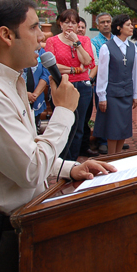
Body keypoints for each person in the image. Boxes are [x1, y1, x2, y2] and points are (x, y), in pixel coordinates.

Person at [0, 0, 115, 272]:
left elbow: (25, 149)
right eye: (35, 27)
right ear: (6, 34)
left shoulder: (7, 81)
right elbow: (30, 169)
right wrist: (63, 112)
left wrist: (69, 168)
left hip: (21, 229)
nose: (42, 37)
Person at [45, 9, 95, 160]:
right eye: (66, 22)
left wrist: (76, 42)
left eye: (73, 22)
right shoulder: (52, 41)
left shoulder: (84, 40)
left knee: (78, 126)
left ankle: (72, 161)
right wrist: (75, 69)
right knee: (62, 123)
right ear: (60, 24)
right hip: (62, 85)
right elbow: (52, 66)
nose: (70, 25)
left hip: (82, 86)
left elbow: (87, 62)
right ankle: (60, 161)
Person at [94, 14, 137, 154]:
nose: (132, 27)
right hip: (112, 94)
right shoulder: (107, 47)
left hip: (126, 93)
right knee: (113, 129)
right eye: (128, 24)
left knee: (123, 129)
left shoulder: (133, 47)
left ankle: (118, 156)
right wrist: (102, 96)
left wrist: (135, 94)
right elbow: (102, 73)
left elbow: (135, 73)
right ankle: (111, 157)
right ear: (119, 27)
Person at [90, 13, 114, 154]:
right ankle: (103, 141)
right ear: (97, 25)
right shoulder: (95, 42)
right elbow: (99, 62)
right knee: (103, 111)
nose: (106, 24)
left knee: (115, 112)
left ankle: (114, 139)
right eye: (102, 22)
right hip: (102, 82)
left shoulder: (117, 39)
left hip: (116, 81)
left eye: (108, 21)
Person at [77, 16, 101, 156]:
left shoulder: (89, 44)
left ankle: (84, 147)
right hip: (70, 84)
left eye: (82, 27)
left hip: (85, 84)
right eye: (78, 26)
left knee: (85, 118)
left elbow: (95, 64)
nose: (80, 29)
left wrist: (89, 78)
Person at [23, 48, 50, 131]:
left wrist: (34, 95)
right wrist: (24, 94)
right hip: (18, 97)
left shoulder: (41, 52)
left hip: (36, 99)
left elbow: (45, 75)